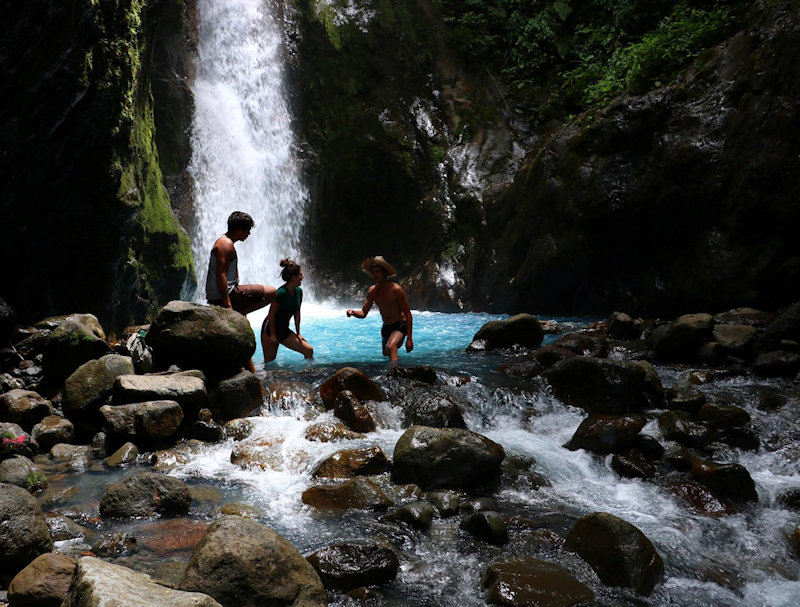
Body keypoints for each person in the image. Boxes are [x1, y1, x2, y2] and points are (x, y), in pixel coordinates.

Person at [206, 211, 276, 314]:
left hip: (223, 294)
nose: (249, 233)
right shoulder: (225, 244)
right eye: (248, 230)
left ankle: (238, 314)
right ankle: (236, 314)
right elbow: (221, 275)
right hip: (224, 297)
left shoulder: (225, 242)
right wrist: (228, 305)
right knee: (272, 292)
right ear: (239, 230)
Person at [347, 256, 413, 362]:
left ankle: (394, 375)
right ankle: (396, 367)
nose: (375, 274)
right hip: (386, 327)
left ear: (385, 273)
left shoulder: (395, 289)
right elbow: (364, 313)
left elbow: (408, 314)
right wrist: (353, 312)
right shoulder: (372, 291)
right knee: (386, 353)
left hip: (400, 324)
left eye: (378, 272)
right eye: (373, 272)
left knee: (391, 347)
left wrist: (409, 338)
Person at [261, 259, 314, 362]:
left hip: (283, 329)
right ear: (294, 277)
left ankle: (309, 375)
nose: (302, 277)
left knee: (308, 350)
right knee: (270, 363)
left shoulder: (299, 291)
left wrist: (298, 333)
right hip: (269, 330)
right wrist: (273, 335)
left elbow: (297, 312)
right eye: (300, 275)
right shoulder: (280, 293)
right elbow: (271, 315)